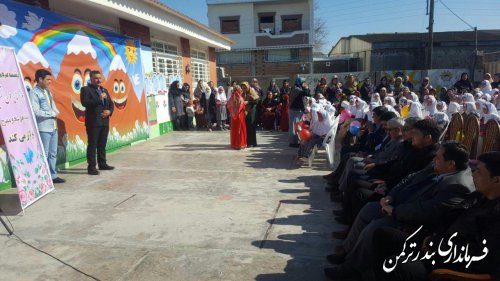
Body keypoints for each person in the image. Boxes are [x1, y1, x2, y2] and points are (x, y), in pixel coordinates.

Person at [373, 151, 500, 281]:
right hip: (437, 242)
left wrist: (434, 244)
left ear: (496, 180)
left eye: (479, 172)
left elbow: (479, 256)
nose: (473, 174)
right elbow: (448, 218)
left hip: (449, 263)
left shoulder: (495, 215)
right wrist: (430, 236)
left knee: (395, 265)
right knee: (382, 235)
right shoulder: (478, 197)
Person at [29, 69, 65, 183]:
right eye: (48, 79)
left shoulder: (48, 91)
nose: (50, 82)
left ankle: (53, 176)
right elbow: (35, 111)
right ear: (40, 79)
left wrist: (56, 111)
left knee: (53, 153)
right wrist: (51, 113)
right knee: (44, 153)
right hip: (43, 128)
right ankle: (43, 178)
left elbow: (52, 105)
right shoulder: (34, 93)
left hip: (53, 126)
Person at [80, 70, 114, 175]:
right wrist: (99, 99)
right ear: (91, 79)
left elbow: (111, 104)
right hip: (93, 122)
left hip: (104, 122)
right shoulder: (86, 89)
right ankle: (91, 167)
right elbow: (85, 103)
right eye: (96, 78)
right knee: (93, 145)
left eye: (100, 78)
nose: (98, 80)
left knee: (102, 144)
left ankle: (102, 164)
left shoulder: (104, 90)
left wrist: (109, 111)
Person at [241, 82, 259, 147]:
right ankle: (247, 142)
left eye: (245, 87)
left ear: (248, 86)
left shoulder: (252, 92)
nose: (244, 89)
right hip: (245, 112)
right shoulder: (243, 93)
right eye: (243, 88)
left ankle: (252, 143)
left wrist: (248, 102)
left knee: (251, 127)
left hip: (252, 112)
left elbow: (257, 101)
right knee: (246, 127)